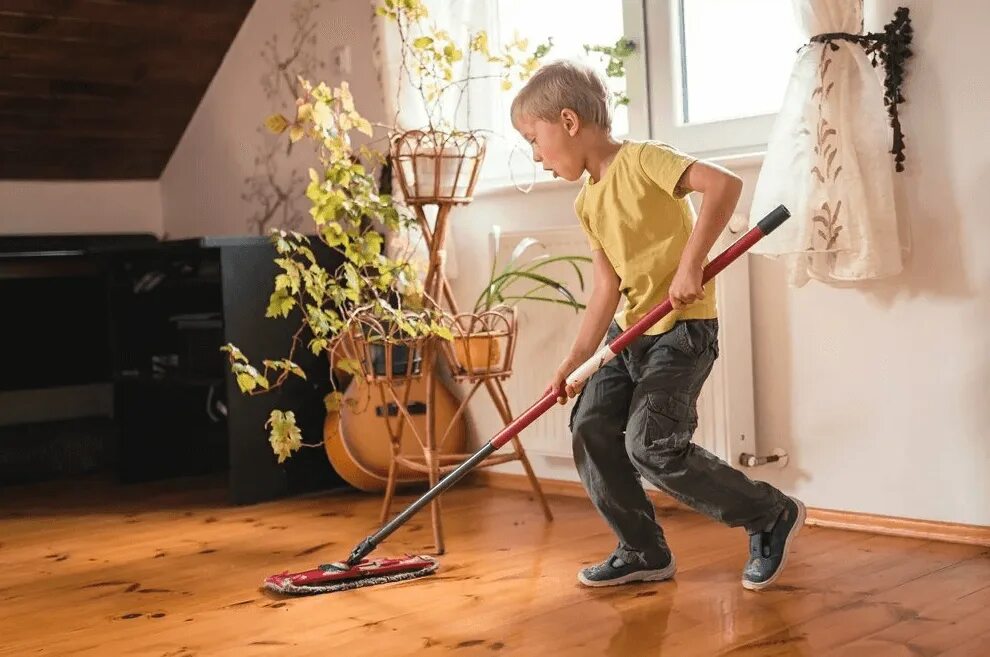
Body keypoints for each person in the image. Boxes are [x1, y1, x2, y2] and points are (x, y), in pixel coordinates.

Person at [510, 60, 805, 590]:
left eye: (535, 139)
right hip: (627, 337)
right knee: (590, 426)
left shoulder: (644, 159)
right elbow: (606, 287)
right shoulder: (586, 201)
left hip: (681, 331)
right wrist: (573, 362)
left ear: (569, 121)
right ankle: (642, 550)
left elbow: (724, 186)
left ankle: (767, 513)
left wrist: (692, 263)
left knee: (651, 446)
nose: (536, 156)